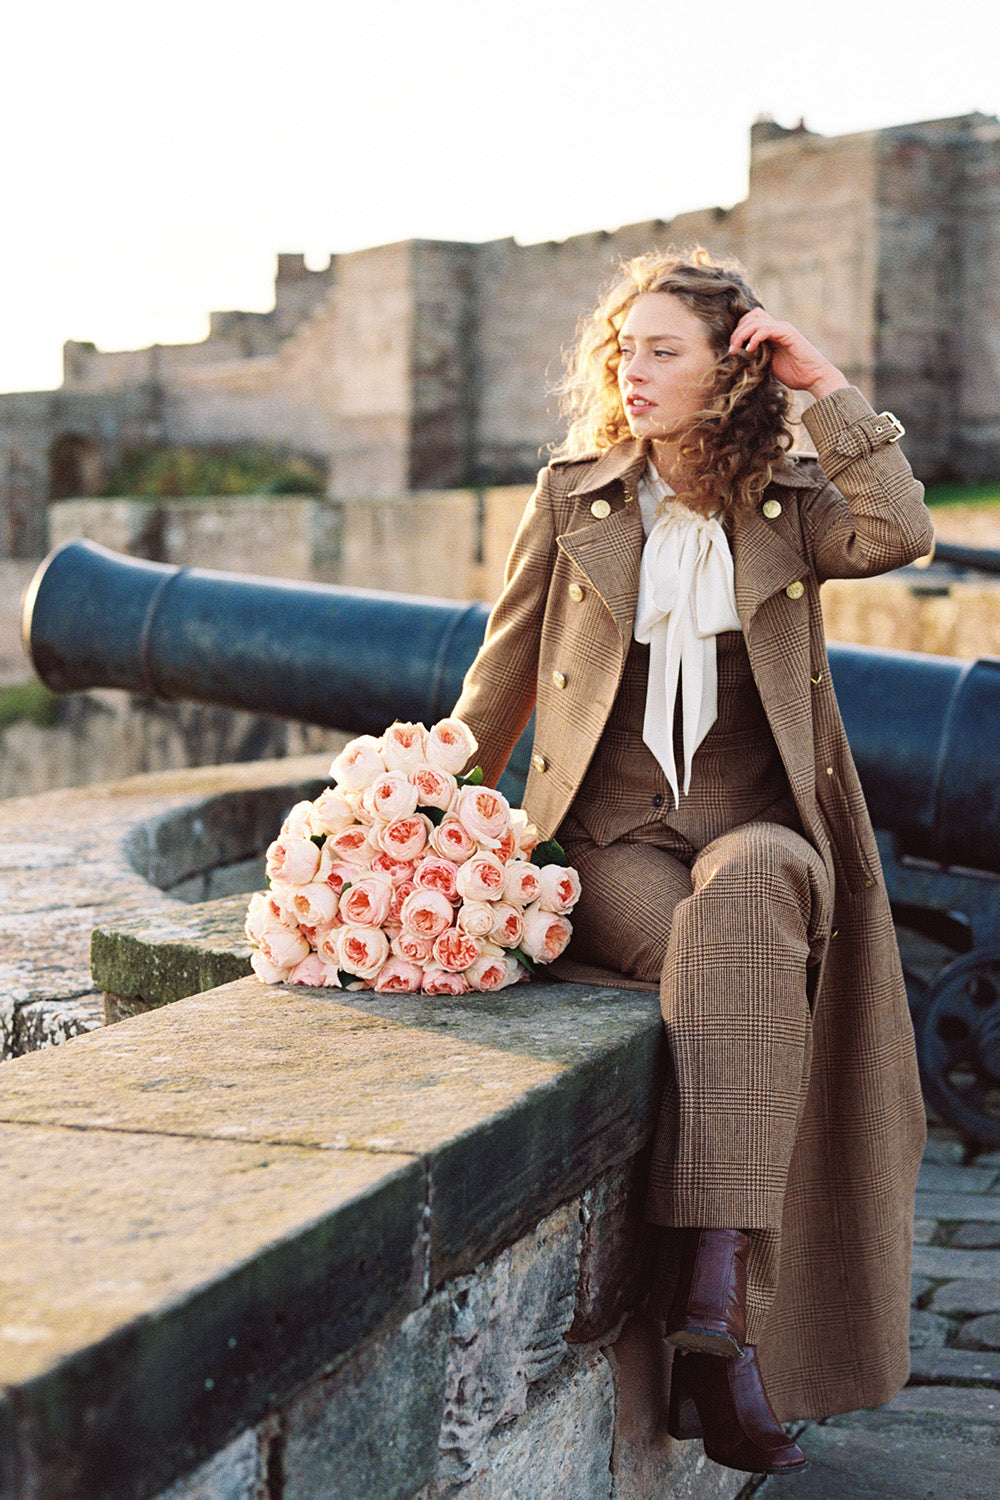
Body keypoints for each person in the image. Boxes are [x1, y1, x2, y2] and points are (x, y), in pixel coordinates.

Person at [450, 248, 934, 1476]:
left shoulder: (785, 504)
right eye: (625, 349)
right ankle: (719, 1315)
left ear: (730, 369)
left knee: (760, 886)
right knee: (735, 961)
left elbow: (899, 532)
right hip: (617, 841)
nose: (633, 368)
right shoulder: (576, 497)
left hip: (761, 824)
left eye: (663, 349)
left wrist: (823, 383)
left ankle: (706, 1306)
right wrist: (425, 820)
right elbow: (498, 684)